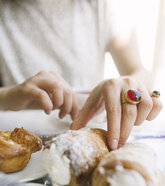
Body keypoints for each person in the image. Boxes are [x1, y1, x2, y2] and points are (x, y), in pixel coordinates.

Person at [0, 0, 162, 151]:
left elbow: (138, 70)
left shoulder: (101, 5)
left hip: (87, 141)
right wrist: (6, 96)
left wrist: (132, 87)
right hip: (18, 148)